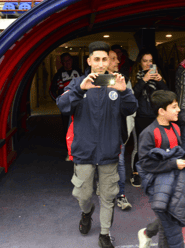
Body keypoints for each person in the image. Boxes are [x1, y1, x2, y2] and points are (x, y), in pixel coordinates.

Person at [56, 41, 138, 248]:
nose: (101, 64)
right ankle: (86, 212)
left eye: (105, 60)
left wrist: (124, 91)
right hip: (84, 151)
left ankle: (104, 233)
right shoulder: (78, 84)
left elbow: (131, 109)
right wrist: (78, 90)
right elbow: (62, 105)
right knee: (82, 194)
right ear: (89, 61)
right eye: (97, 59)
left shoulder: (117, 84)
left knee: (108, 196)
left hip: (109, 152)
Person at [136, 90, 185, 248]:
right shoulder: (149, 133)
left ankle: (146, 233)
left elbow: (178, 154)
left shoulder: (176, 128)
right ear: (161, 111)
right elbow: (146, 163)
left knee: (169, 221)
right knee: (172, 227)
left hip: (175, 183)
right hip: (158, 187)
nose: (179, 109)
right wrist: (174, 164)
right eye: (174, 107)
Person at [129, 49, 168, 187]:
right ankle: (136, 173)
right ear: (140, 63)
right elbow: (132, 95)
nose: (148, 64)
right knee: (140, 147)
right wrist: (143, 80)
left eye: (150, 61)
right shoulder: (134, 76)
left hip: (156, 116)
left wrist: (161, 81)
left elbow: (166, 95)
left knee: (157, 145)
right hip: (141, 116)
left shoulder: (157, 76)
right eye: (145, 61)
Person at [107, 49, 136, 210]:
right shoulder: (95, 80)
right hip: (101, 133)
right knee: (102, 163)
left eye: (117, 59)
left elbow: (132, 107)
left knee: (120, 163)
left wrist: (128, 130)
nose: (118, 62)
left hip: (118, 132)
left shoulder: (123, 80)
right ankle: (104, 189)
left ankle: (121, 195)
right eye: (113, 59)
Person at [50, 53, 82, 160]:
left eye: (68, 60)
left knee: (79, 126)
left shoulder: (79, 72)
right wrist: (58, 102)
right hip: (66, 107)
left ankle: (80, 149)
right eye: (64, 61)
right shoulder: (58, 75)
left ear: (72, 60)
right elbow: (51, 90)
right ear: (62, 62)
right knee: (67, 128)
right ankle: (69, 152)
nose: (67, 63)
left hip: (79, 106)